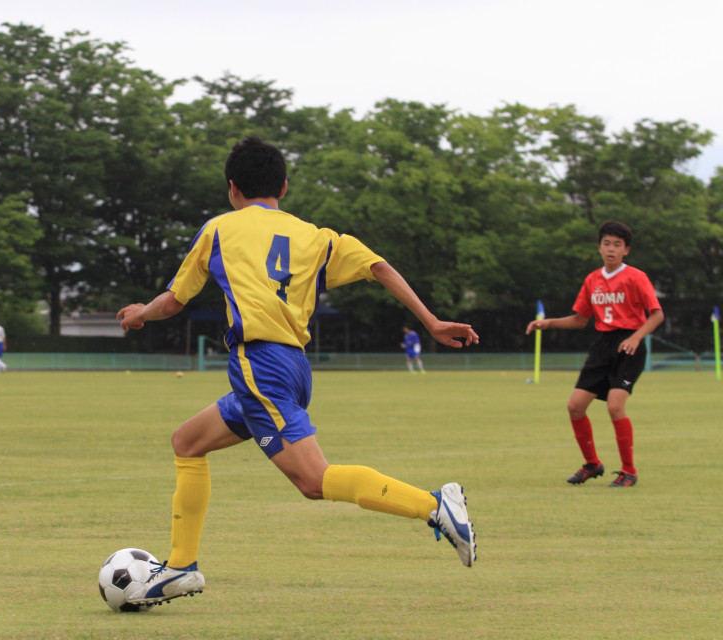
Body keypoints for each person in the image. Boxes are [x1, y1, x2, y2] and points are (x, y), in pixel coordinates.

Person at [116, 136, 479, 607]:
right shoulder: (317, 236)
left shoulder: (220, 229)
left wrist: (141, 312)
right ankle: (181, 566)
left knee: (313, 480)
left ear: (232, 188)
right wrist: (431, 321)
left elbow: (175, 300)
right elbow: (381, 267)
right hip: (293, 367)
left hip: (259, 365)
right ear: (283, 187)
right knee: (188, 441)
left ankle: (435, 505)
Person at [526, 220, 664, 488]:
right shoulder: (593, 280)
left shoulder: (636, 277)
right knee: (575, 406)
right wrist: (549, 322)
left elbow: (657, 314)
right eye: (606, 243)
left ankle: (629, 471)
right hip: (603, 346)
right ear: (599, 247)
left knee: (615, 406)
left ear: (626, 250)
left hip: (630, 346)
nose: (611, 249)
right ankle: (592, 464)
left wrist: (636, 337)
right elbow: (580, 320)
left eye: (617, 245)